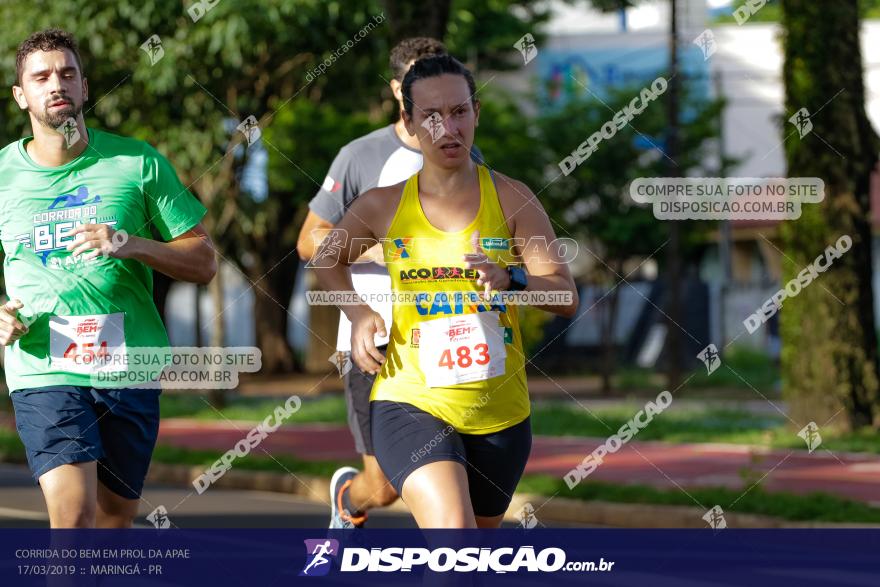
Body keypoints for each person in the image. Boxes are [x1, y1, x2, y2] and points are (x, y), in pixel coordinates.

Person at [313, 55, 578, 528]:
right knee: (455, 536)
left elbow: (565, 297)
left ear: (477, 112)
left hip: (500, 412)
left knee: (471, 559)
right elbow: (325, 257)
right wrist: (357, 314)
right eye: (431, 116)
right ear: (410, 122)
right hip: (410, 397)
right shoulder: (382, 205)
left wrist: (511, 278)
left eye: (458, 112)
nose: (447, 128)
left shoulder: (514, 198)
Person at [0, 29, 216, 528]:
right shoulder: (4, 175)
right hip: (43, 367)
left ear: (85, 87)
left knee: (112, 522)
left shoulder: (136, 162)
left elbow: (204, 261)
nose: (57, 84)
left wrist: (130, 243)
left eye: (68, 74)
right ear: (20, 95)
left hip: (128, 366)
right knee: (73, 515)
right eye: (41, 77)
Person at [297, 38, 481, 529]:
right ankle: (348, 498)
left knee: (454, 483)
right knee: (385, 485)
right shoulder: (361, 155)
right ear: (399, 90)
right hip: (377, 341)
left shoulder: (466, 153)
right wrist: (382, 247)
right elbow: (310, 243)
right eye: (421, 85)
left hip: (451, 339)